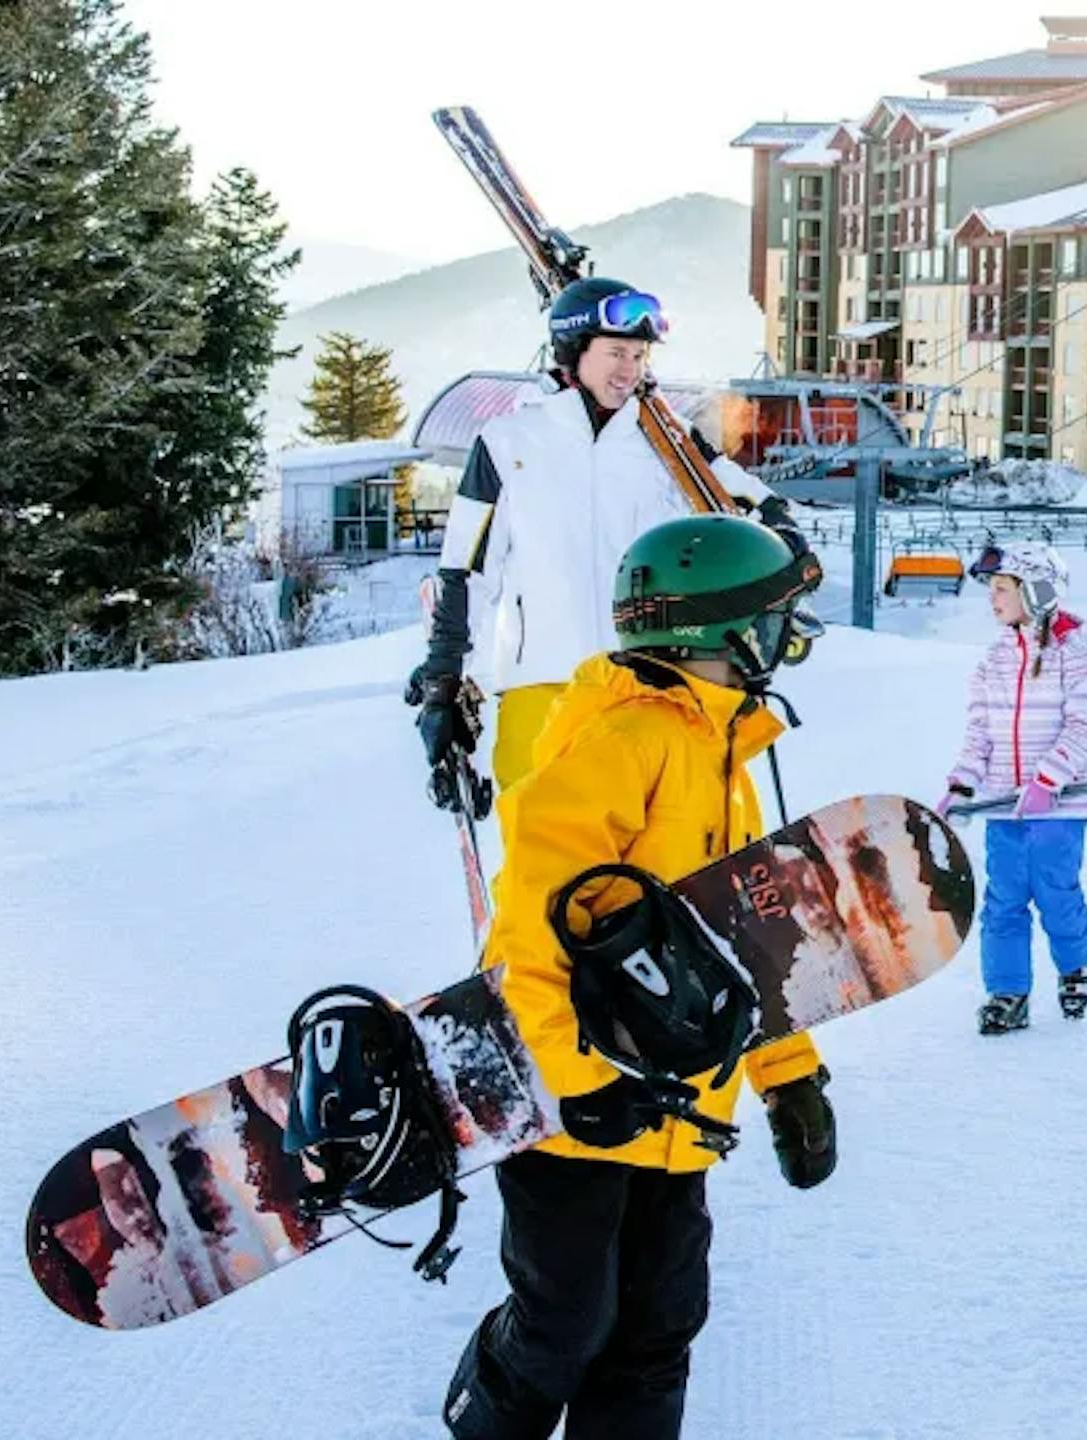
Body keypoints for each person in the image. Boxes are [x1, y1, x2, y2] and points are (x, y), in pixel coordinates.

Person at [443, 514, 835, 1439]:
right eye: (777, 618)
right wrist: (576, 1087)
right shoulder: (621, 742)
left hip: (678, 1113)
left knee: (659, 1328)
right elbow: (527, 938)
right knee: (564, 1325)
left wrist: (790, 1077)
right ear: (723, 631)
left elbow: (742, 948)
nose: (789, 638)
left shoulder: (723, 755)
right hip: (575, 1116)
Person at [407, 276, 816, 795]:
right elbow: (465, 571)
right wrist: (445, 678)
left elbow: (743, 500)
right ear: (574, 351)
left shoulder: (668, 444)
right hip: (543, 687)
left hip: (648, 685)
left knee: (664, 853)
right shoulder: (508, 442)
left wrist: (784, 536)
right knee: (547, 857)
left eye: (640, 356)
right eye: (616, 352)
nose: (630, 370)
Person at [937, 543, 1087, 1035]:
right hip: (1003, 808)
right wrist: (964, 784)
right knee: (1003, 901)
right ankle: (1008, 993)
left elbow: (1084, 725)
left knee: (1056, 894)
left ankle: (1075, 965)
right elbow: (980, 731)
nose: (992, 599)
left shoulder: (1072, 654)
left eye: (1001, 589)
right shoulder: (994, 659)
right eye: (991, 589)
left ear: (1036, 590)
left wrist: (1049, 779)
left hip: (1059, 808)